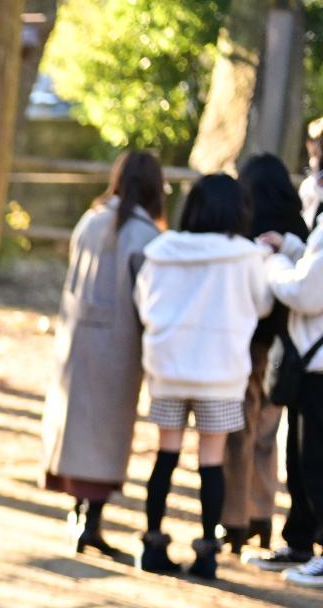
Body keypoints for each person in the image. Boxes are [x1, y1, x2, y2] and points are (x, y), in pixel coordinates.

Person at [134, 173, 274, 580]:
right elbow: (263, 304)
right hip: (220, 373)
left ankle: (152, 543)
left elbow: (143, 301)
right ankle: (207, 553)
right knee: (211, 462)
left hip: (168, 368)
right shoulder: (245, 255)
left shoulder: (162, 249)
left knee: (166, 456)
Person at [40, 150, 166, 559]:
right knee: (106, 432)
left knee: (79, 427)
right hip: (119, 343)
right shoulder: (145, 236)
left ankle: (81, 515)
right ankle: (91, 520)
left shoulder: (90, 221)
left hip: (78, 340)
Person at [227, 154, 309, 554]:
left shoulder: (244, 230)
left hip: (247, 344)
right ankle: (262, 514)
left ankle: (236, 519)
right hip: (288, 350)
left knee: (239, 429)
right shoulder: (298, 229)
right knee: (267, 434)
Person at [260, 210, 323, 586]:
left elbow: (307, 292)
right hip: (311, 362)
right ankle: (299, 543)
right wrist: (293, 247)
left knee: (316, 462)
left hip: (318, 365)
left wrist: (275, 262)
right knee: (301, 461)